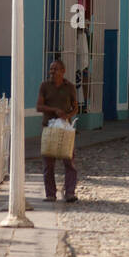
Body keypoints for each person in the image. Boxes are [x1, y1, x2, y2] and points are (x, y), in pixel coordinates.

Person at [36, 58, 79, 203]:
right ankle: (50, 194)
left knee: (69, 161)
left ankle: (70, 192)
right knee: (48, 162)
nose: (52, 72)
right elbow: (39, 107)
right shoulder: (45, 86)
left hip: (64, 129)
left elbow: (75, 107)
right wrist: (54, 110)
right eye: (51, 69)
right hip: (49, 127)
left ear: (63, 71)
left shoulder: (70, 87)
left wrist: (68, 115)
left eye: (55, 69)